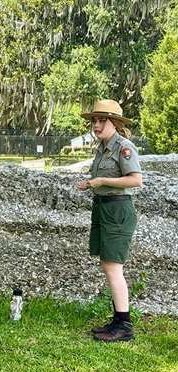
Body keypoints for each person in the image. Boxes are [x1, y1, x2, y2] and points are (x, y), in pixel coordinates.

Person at [77, 99, 142, 342]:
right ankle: (118, 320)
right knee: (108, 265)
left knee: (114, 268)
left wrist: (103, 181)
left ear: (113, 122)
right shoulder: (103, 148)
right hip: (104, 209)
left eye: (101, 120)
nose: (95, 124)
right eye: (94, 120)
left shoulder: (123, 147)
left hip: (118, 210)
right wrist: (92, 184)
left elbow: (135, 180)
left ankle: (124, 326)